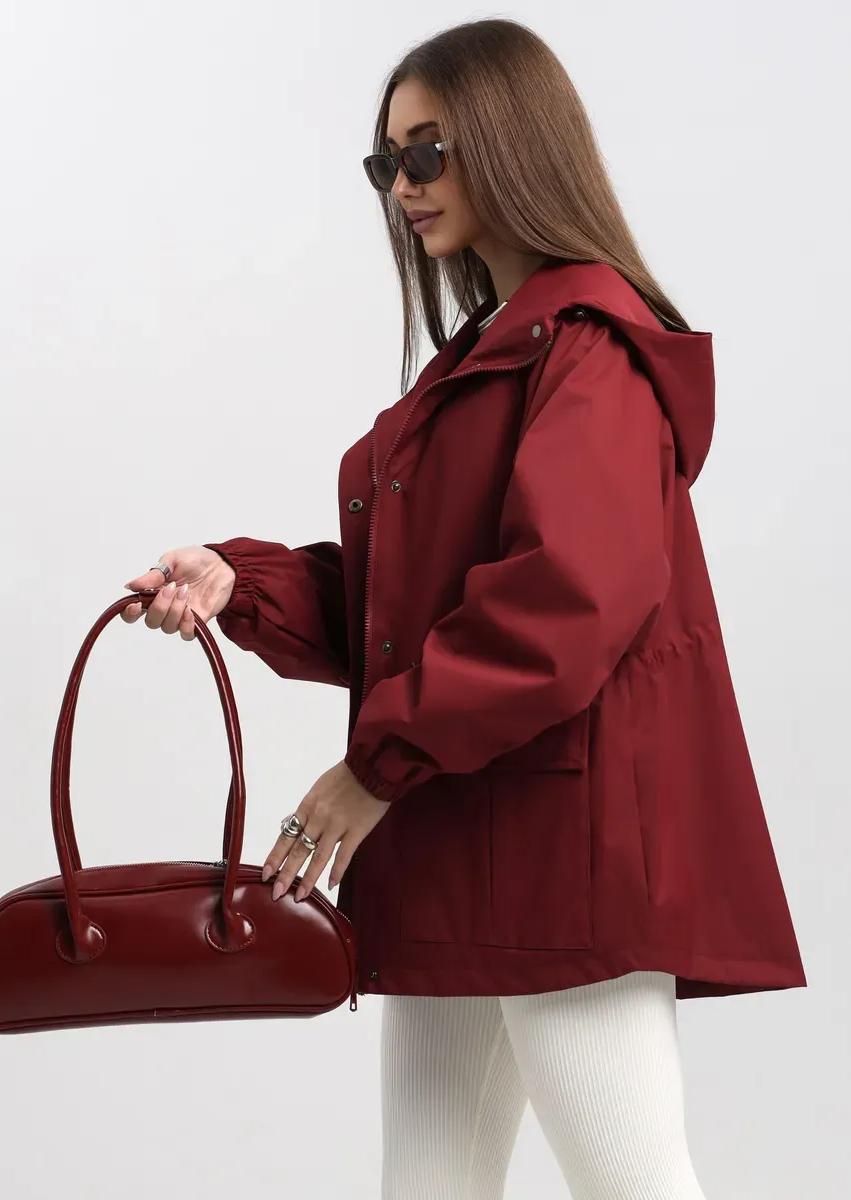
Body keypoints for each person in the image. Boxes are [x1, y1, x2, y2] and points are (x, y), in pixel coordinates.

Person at [122, 18, 805, 1200]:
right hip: (457, 838)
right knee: (429, 1186)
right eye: (386, 162)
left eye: (428, 152)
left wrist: (373, 769)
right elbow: (416, 607)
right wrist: (243, 581)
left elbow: (563, 606)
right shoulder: (493, 355)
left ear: (513, 142)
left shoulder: (588, 350)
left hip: (561, 858)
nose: (403, 186)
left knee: (636, 1183)